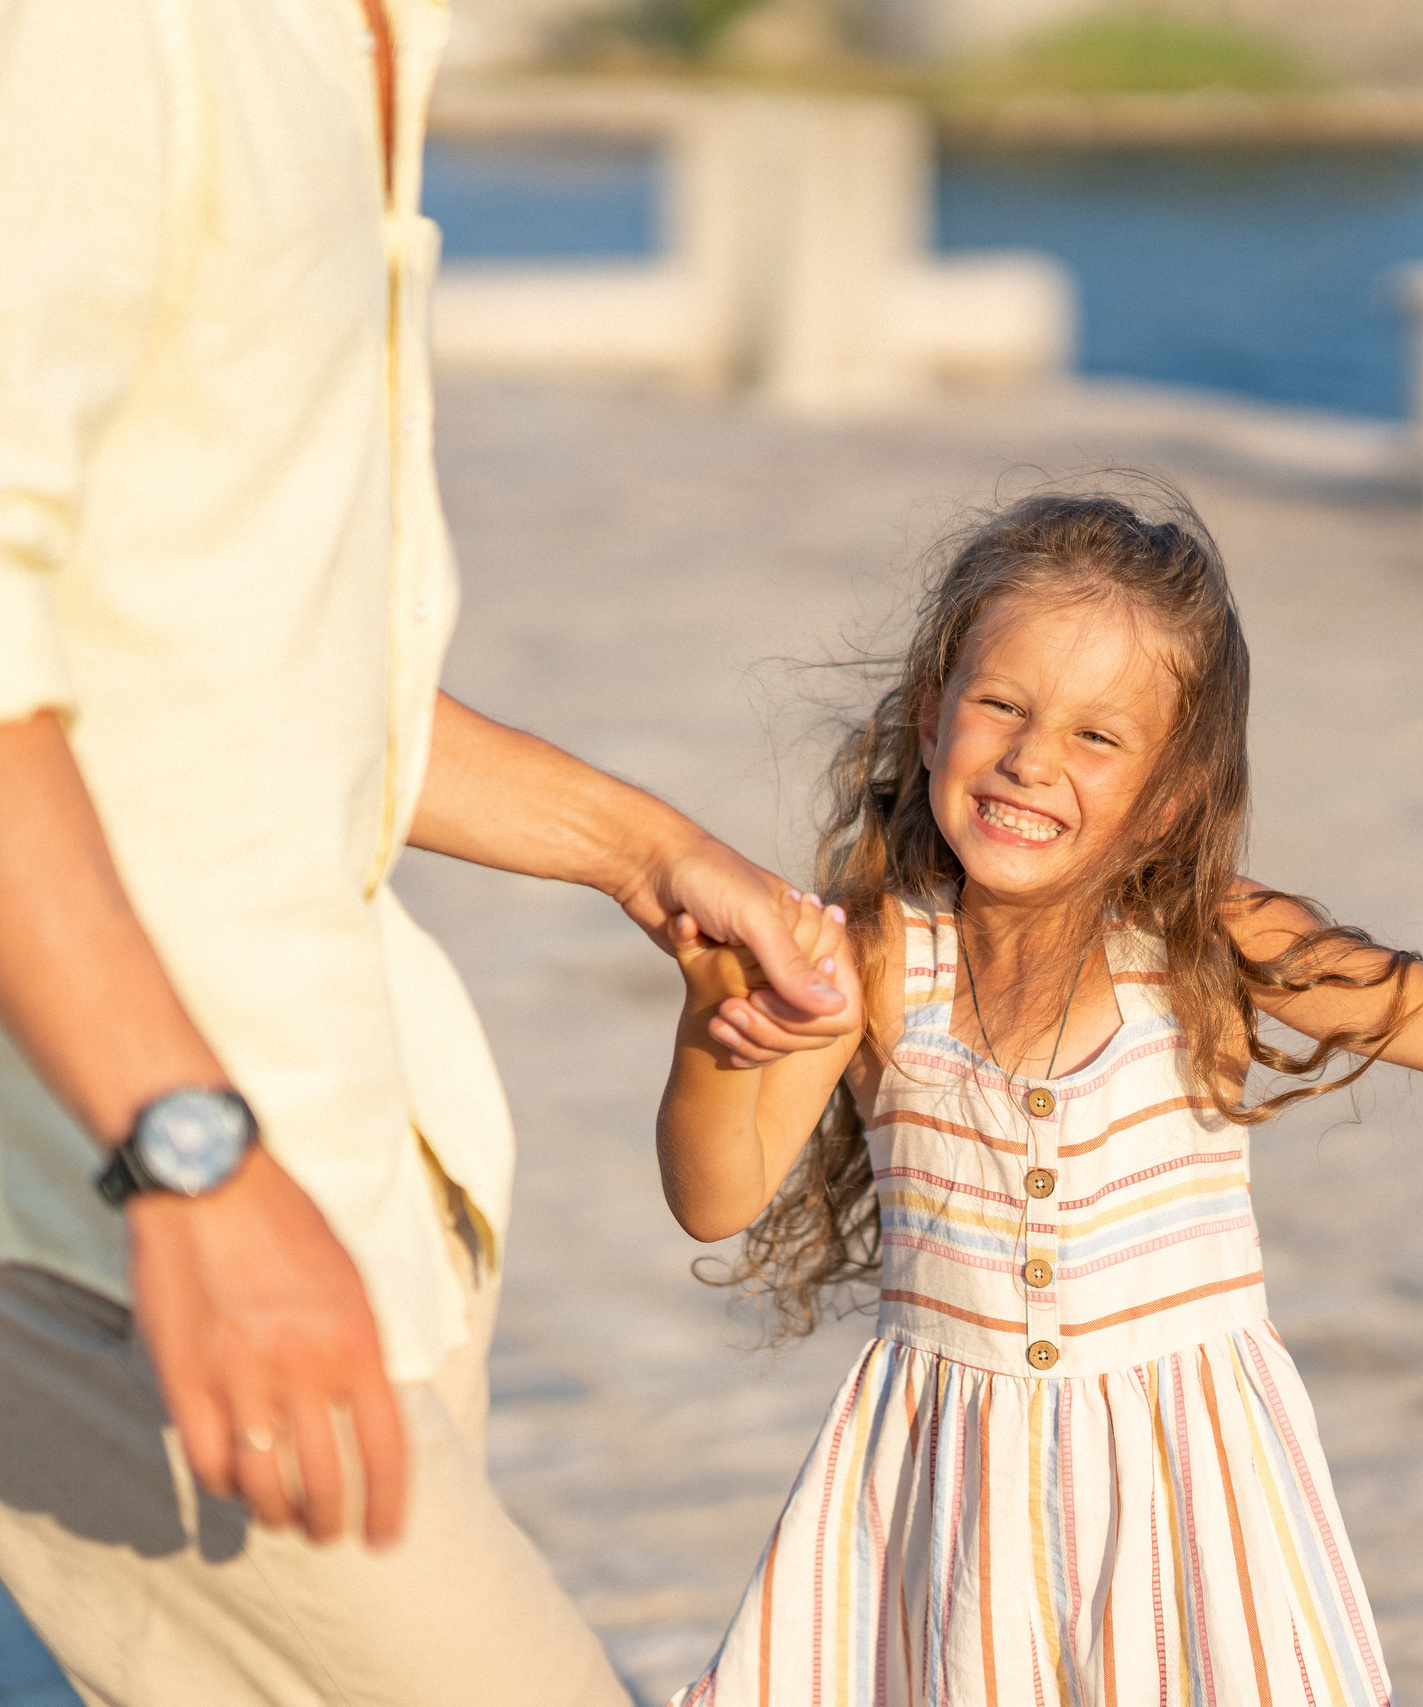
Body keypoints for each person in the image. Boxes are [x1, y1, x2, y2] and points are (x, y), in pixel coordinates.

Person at [0, 1, 851, 1701]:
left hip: (355, 1197)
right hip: (111, 1228)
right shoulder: (110, 33)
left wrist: (641, 848)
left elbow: (266, 673)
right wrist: (192, 1167)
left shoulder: (353, 42)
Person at [651, 491, 1423, 1706]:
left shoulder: (1213, 939)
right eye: (1001, 706)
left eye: (1098, 737)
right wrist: (714, 1023)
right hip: (944, 1503)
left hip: (1186, 1495)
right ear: (930, 721)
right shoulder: (873, 960)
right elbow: (717, 1198)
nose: (1032, 760)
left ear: (1175, 791)